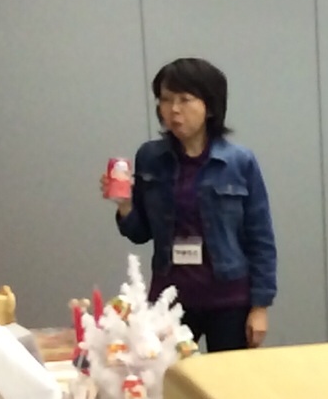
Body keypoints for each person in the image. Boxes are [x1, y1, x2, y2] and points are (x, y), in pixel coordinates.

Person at [103, 57, 276, 351]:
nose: (173, 109)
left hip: (229, 301)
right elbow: (140, 233)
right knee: (169, 376)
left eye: (184, 99)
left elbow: (260, 238)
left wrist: (260, 306)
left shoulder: (239, 161)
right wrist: (124, 205)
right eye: (165, 99)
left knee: (227, 377)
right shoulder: (150, 158)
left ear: (210, 106)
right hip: (169, 302)